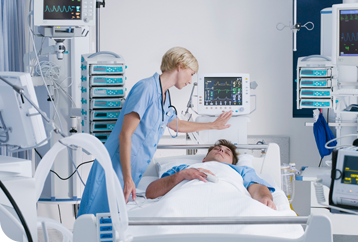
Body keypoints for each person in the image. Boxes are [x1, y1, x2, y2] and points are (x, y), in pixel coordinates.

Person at [78, 47, 233, 216]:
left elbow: (176, 124)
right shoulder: (146, 88)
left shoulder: (164, 97)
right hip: (115, 166)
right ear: (180, 66)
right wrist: (128, 178)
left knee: (112, 222)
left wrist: (212, 125)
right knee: (95, 217)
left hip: (129, 169)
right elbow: (125, 134)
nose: (191, 80)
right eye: (191, 73)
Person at [146, 139, 277, 210]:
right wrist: (181, 175)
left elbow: (257, 188)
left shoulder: (241, 170)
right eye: (217, 148)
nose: (221, 150)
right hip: (182, 202)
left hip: (231, 202)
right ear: (204, 159)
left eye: (227, 152)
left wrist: (265, 198)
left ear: (232, 163)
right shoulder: (183, 168)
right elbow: (151, 192)